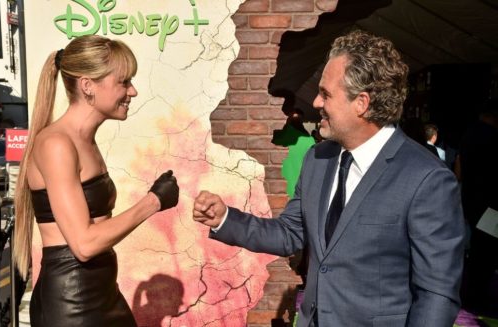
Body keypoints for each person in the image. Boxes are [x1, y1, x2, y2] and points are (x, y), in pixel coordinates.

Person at [193, 30, 464, 327]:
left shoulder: (426, 178)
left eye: (326, 94)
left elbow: (436, 294)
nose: (316, 102)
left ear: (361, 102)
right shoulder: (318, 159)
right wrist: (224, 219)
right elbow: (290, 234)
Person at [13, 35, 180, 327]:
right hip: (72, 302)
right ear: (87, 85)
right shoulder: (56, 144)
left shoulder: (82, 141)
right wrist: (154, 201)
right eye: (124, 82)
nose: (133, 91)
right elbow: (84, 244)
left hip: (103, 290)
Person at [458, 101, 498, 314]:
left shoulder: (469, 135)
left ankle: (473, 292)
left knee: (479, 249)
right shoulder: (491, 137)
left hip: (472, 199)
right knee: (486, 252)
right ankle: (477, 295)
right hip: (490, 203)